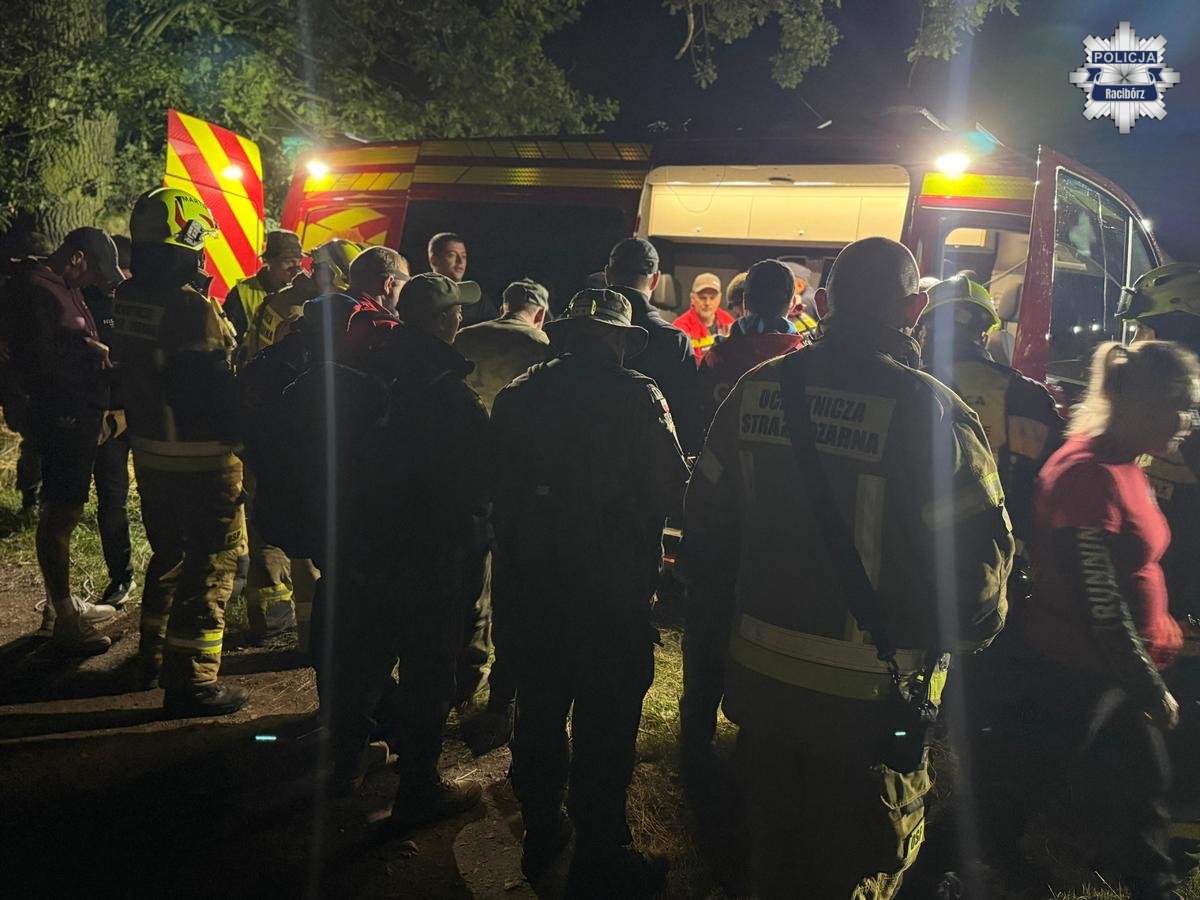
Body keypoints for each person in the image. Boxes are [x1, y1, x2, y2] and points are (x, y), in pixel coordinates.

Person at [682, 237, 1012, 898]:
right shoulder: (929, 410)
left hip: (762, 693)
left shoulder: (756, 390)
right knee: (853, 871)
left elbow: (705, 533)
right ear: (914, 309)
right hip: (868, 711)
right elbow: (980, 582)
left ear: (826, 302)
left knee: (773, 859)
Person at [492, 288, 689, 895]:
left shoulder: (518, 394)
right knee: (606, 724)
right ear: (617, 339)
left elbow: (495, 488)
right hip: (610, 595)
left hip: (532, 589)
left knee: (538, 712)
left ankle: (542, 830)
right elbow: (674, 489)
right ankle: (601, 850)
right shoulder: (638, 396)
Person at [1017, 340, 1198, 900]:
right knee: (1019, 796)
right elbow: (1097, 597)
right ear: (1140, 405)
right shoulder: (1087, 475)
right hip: (1078, 675)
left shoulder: (1125, 465)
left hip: (1107, 675)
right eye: (1177, 407)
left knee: (1141, 791)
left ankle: (1151, 879)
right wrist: (1147, 685)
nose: (1186, 422)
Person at [319, 271, 489, 821]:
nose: (461, 317)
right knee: (427, 672)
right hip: (427, 557)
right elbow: (479, 482)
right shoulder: (450, 393)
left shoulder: (366, 372)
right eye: (456, 311)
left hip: (362, 545)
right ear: (442, 321)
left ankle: (345, 764)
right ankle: (418, 788)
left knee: (361, 662)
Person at [111, 187, 249, 715]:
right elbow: (210, 388)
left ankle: (151, 658)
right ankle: (192, 682)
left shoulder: (129, 297)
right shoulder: (193, 307)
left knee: (168, 556)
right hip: (205, 460)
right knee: (212, 565)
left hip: (151, 454)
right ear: (186, 240)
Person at [678, 259, 808, 775]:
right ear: (792, 302)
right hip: (784, 526)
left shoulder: (718, 358)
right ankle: (756, 749)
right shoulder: (806, 360)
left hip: (720, 518)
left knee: (708, 633)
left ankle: (694, 742)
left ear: (745, 301)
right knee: (772, 632)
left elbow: (696, 432)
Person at [0, 228, 126, 654]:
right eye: (94, 272)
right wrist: (91, 351)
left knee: (66, 510)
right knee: (61, 513)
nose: (94, 282)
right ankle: (63, 621)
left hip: (75, 412)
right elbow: (37, 359)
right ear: (76, 257)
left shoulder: (60, 286)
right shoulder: (35, 291)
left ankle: (64, 605)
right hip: (61, 416)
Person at [451, 278, 552, 751]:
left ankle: (462, 676)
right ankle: (501, 692)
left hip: (463, 475)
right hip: (517, 485)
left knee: (467, 580)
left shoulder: (465, 337)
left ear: (505, 306)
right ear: (540, 313)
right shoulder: (542, 348)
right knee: (511, 582)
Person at [916, 274, 1064, 549]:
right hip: (1006, 550)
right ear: (983, 335)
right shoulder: (1026, 394)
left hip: (922, 547)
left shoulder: (911, 387)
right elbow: (1060, 476)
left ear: (928, 330)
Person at [81, 236, 136, 610]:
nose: (116, 283)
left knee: (159, 497)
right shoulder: (84, 302)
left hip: (143, 413)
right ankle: (121, 575)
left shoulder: (143, 300)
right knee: (112, 499)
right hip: (106, 419)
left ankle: (170, 569)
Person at [605, 238, 700, 453]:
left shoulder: (576, 331)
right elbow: (686, 417)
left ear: (608, 274)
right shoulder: (674, 340)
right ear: (655, 279)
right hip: (648, 458)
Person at [237, 238, 363, 365]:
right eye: (343, 291)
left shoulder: (301, 297)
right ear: (325, 276)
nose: (346, 298)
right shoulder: (298, 310)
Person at [222, 230, 303, 341]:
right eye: (289, 262)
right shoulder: (242, 293)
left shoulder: (299, 294)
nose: (296, 269)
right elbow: (228, 339)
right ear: (270, 260)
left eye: (299, 262)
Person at [428, 231, 497, 326]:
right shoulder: (420, 297)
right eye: (451, 255)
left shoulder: (480, 302)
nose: (460, 261)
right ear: (434, 260)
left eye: (463, 256)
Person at [672, 273, 734, 361]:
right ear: (692, 298)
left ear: (719, 298)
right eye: (702, 298)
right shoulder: (680, 328)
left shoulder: (728, 322)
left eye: (712, 298)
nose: (707, 303)